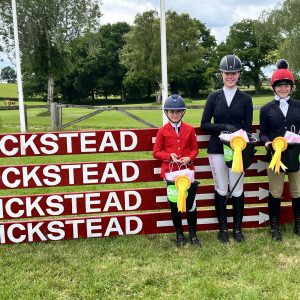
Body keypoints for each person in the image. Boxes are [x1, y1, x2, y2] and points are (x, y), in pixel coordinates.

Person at [200, 54, 253, 243]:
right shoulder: (213, 97)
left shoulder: (246, 99)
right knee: (221, 188)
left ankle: (237, 229)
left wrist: (237, 134)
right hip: (217, 149)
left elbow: (248, 128)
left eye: (234, 73)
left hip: (237, 151)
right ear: (221, 74)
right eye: (226, 73)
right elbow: (204, 124)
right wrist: (225, 129)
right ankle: (223, 228)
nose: (230, 76)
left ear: (239, 75)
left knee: (237, 189)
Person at [259, 59, 300, 241]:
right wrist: (267, 142)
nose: (283, 89)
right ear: (274, 87)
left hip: (295, 154)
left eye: (286, 85)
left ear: (291, 87)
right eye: (279, 86)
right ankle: (274, 227)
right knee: (275, 191)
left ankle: (298, 224)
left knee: (297, 190)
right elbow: (263, 133)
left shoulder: (298, 106)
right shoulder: (267, 108)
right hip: (275, 155)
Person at [153, 94, 200, 247]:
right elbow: (156, 152)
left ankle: (193, 235)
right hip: (170, 173)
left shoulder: (189, 129)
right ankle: (179, 234)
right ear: (166, 113)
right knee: (175, 204)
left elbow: (195, 149)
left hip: (187, 172)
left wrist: (189, 158)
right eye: (172, 112)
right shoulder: (162, 131)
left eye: (178, 112)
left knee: (191, 204)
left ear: (183, 112)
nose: (175, 114)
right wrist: (168, 156)